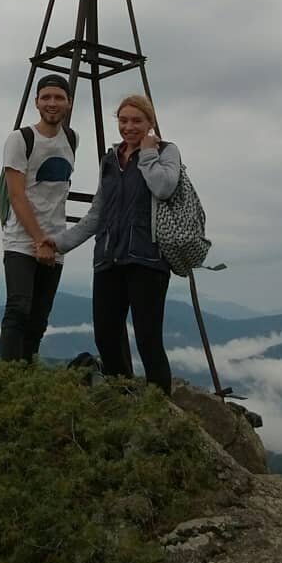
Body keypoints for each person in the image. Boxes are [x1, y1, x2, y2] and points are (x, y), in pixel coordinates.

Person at [43, 94, 179, 394]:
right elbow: (97, 214)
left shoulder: (166, 151)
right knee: (105, 336)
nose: (129, 127)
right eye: (124, 120)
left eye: (137, 121)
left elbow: (164, 187)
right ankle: (124, 396)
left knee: (148, 339)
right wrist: (60, 242)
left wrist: (147, 154)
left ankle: (160, 408)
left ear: (150, 123)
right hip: (108, 259)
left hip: (147, 260)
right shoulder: (110, 160)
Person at [0, 75, 77, 362]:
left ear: (68, 103)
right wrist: (38, 240)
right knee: (19, 308)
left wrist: (51, 242)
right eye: (46, 97)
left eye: (58, 98)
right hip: (22, 240)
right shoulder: (20, 139)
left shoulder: (71, 138)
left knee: (39, 318)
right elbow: (17, 196)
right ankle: (8, 379)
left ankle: (27, 376)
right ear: (36, 102)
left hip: (55, 241)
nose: (52, 103)